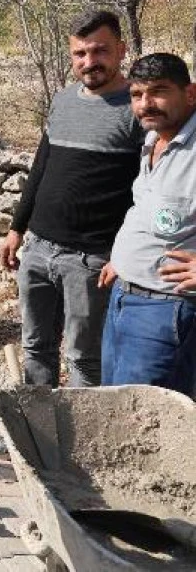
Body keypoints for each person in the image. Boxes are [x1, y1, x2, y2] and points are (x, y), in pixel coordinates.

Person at [0, 10, 142, 387]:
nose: (89, 62)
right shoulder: (62, 100)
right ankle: (37, 438)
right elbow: (41, 166)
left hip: (91, 259)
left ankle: (77, 444)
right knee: (36, 348)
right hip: (39, 248)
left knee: (84, 359)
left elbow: (147, 192)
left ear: (121, 50)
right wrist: (17, 228)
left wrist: (123, 253)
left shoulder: (138, 109)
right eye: (80, 54)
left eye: (100, 51)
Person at [98, 53, 196, 395]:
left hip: (165, 311)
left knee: (145, 422)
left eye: (159, 91)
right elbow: (148, 209)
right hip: (123, 298)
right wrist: (122, 260)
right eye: (137, 94)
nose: (145, 103)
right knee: (114, 404)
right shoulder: (155, 138)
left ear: (190, 94)